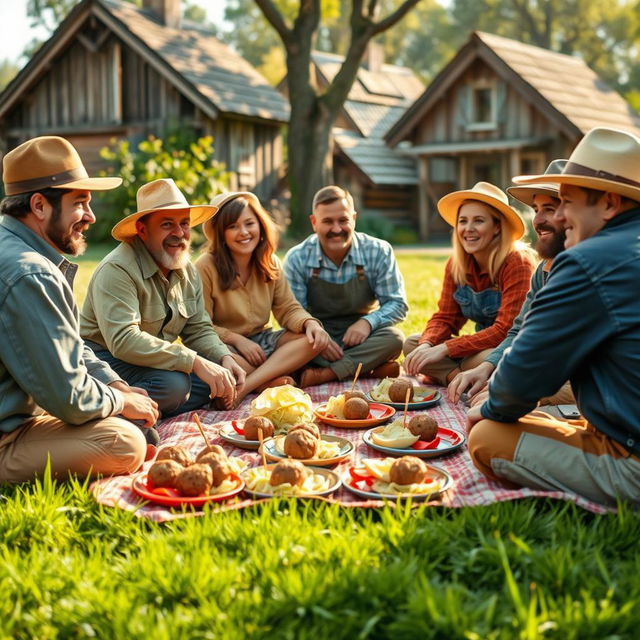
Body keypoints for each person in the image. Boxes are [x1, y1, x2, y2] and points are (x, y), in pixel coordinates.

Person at [467, 127, 640, 506]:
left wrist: (490, 408)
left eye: (567, 203)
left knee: (487, 436)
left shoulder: (588, 262)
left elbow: (525, 373)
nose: (559, 217)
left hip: (632, 457)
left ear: (609, 204)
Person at [0, 135, 159, 482]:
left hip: (17, 416)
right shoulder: (30, 272)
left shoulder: (15, 250)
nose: (89, 216)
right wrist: (122, 404)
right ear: (40, 206)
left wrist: (117, 385)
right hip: (6, 436)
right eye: (80, 202)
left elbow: (68, 343)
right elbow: (69, 396)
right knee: (124, 443)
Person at [81, 178, 246, 418]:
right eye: (167, 224)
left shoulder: (186, 268)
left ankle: (140, 409)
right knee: (175, 386)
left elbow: (197, 327)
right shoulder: (117, 269)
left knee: (221, 378)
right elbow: (124, 341)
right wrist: (196, 363)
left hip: (150, 362)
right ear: (142, 230)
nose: (179, 233)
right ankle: (120, 410)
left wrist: (224, 357)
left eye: (185, 224)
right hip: (103, 359)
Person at [448, 160, 576, 414]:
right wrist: (488, 369)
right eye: (536, 209)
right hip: (531, 363)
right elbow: (519, 330)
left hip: (577, 379)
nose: (537, 219)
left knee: (489, 434)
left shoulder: (589, 267)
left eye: (548, 209)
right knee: (416, 344)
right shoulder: (544, 269)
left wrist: (509, 385)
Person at [195, 192, 330, 407]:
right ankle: (268, 381)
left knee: (311, 340)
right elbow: (200, 325)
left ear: (260, 225)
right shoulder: (205, 266)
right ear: (221, 233)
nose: (244, 232)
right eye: (233, 227)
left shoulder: (269, 262)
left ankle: (248, 386)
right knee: (215, 356)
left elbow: (288, 308)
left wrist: (309, 323)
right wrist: (237, 339)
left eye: (250, 223)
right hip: (226, 347)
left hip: (262, 343)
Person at [403, 182, 536, 385]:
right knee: (413, 344)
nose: (468, 229)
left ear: (497, 227)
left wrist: (446, 349)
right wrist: (428, 344)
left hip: (508, 348)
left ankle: (462, 376)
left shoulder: (517, 262)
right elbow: (445, 318)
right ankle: (459, 378)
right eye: (463, 221)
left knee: (490, 359)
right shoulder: (456, 265)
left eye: (479, 221)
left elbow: (505, 330)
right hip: (476, 347)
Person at [283, 185, 408, 387]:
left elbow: (397, 304)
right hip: (315, 336)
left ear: (354, 219)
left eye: (343, 220)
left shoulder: (378, 251)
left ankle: (325, 374)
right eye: (327, 221)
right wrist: (319, 338)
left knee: (394, 339)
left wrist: (367, 322)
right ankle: (368, 369)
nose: (336, 229)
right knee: (290, 344)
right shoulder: (297, 257)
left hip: (359, 336)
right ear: (314, 223)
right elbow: (293, 313)